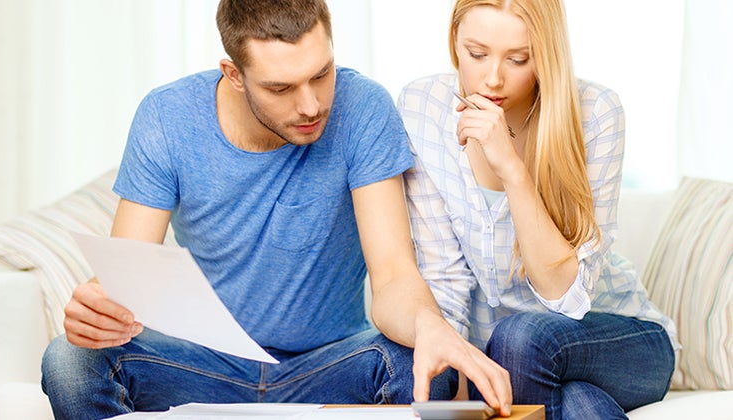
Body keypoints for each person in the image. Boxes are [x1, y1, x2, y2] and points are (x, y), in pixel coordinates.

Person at [40, 1, 515, 418]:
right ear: (234, 75)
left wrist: (431, 326)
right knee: (70, 361)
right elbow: (128, 277)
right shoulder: (167, 117)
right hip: (202, 365)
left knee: (421, 362)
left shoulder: (364, 108)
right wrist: (99, 311)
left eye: (321, 74)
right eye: (282, 88)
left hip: (331, 363)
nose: (311, 105)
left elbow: (392, 275)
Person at [397, 0, 678, 419]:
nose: (493, 77)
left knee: (521, 338)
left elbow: (565, 296)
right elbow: (443, 280)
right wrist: (456, 385)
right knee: (579, 403)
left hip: (620, 338)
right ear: (453, 40)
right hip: (512, 361)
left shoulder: (596, 112)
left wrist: (512, 170)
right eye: (476, 54)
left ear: (546, 54)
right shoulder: (422, 107)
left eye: (518, 59)